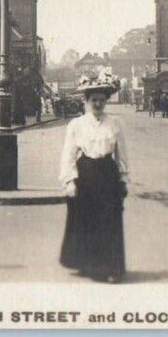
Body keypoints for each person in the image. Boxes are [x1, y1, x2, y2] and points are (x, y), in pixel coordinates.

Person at [59, 72, 128, 283]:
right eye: (93, 100)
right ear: (86, 101)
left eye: (101, 100)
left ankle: (111, 266)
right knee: (87, 220)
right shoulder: (77, 125)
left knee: (109, 220)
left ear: (106, 101)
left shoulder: (115, 123)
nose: (98, 104)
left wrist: (123, 178)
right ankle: (90, 264)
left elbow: (122, 153)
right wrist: (70, 180)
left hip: (108, 174)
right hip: (86, 174)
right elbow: (69, 154)